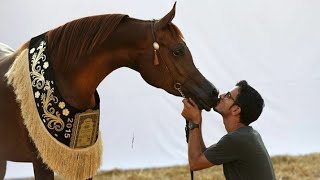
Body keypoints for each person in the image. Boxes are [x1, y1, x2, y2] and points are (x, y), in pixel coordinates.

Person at [181, 80, 276, 180]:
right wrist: (197, 119)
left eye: (228, 96)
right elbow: (203, 154)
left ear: (235, 110)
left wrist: (194, 122)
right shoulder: (247, 135)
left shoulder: (238, 139)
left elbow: (195, 163)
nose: (221, 95)